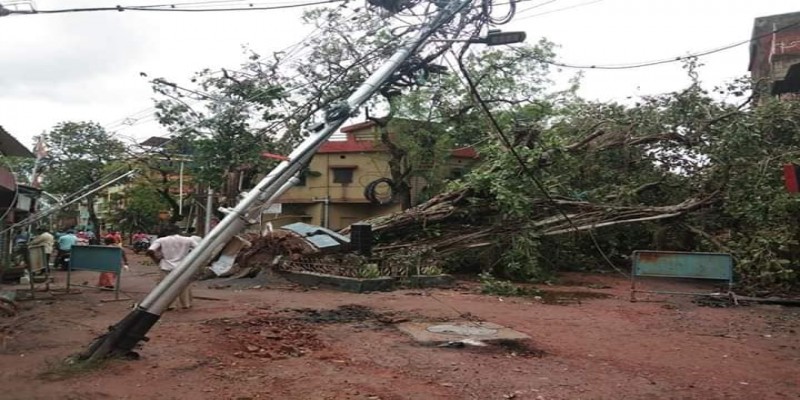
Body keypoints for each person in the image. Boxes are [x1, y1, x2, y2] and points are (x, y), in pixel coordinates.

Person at [146, 224, 196, 310]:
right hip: (183, 266)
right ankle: (186, 304)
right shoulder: (188, 240)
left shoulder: (161, 240)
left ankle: (169, 305)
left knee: (165, 287)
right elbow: (198, 248)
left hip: (166, 266)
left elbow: (150, 250)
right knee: (184, 285)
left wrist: (156, 259)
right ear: (178, 231)